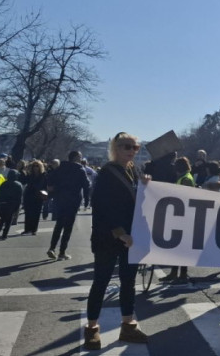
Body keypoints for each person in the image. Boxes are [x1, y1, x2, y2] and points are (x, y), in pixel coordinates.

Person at [83, 132, 148, 350]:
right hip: (108, 236)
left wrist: (146, 185)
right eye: (126, 146)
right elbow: (101, 206)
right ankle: (92, 328)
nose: (131, 151)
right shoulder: (106, 173)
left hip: (131, 236)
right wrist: (120, 233)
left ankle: (128, 325)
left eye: (134, 147)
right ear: (115, 148)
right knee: (101, 282)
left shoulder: (134, 171)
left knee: (128, 282)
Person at [46, 151, 90, 260]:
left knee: (59, 224)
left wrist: (53, 188)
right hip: (73, 200)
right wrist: (87, 201)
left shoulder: (61, 167)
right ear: (76, 158)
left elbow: (50, 178)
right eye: (80, 157)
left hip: (60, 198)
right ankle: (62, 252)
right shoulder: (80, 169)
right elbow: (86, 185)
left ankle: (52, 248)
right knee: (68, 227)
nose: (81, 159)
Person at [0, 170, 23, 240]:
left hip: (3, 204)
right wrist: (18, 206)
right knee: (9, 220)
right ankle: (5, 234)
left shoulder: (3, 184)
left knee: (2, 219)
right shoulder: (18, 185)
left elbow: (0, 195)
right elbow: (19, 197)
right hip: (12, 204)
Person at [21, 161, 47, 235]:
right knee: (28, 213)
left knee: (36, 213)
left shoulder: (44, 175)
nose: (35, 168)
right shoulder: (30, 175)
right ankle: (27, 229)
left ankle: (34, 229)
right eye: (34, 166)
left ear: (40, 167)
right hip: (29, 195)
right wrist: (25, 172)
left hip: (38, 196)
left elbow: (44, 185)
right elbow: (24, 181)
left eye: (37, 166)